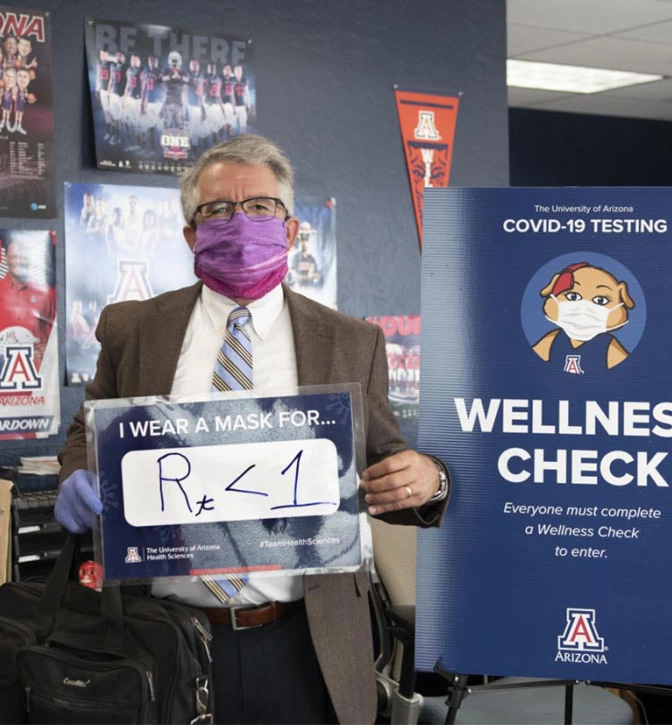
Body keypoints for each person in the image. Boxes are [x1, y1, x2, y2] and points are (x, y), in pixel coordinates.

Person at [55, 134, 450, 725]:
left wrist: (430, 481)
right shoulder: (134, 327)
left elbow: (384, 468)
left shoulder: (351, 341)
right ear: (191, 233)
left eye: (260, 207)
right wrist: (76, 476)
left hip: (303, 644)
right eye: (217, 209)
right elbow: (86, 436)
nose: (240, 222)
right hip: (164, 641)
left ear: (290, 229)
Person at [0, 237, 55, 372]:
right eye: (14, 257)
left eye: (23, 257)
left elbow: (58, 332)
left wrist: (50, 347)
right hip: (3, 373)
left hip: (40, 375)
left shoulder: (46, 292)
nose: (19, 261)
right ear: (6, 258)